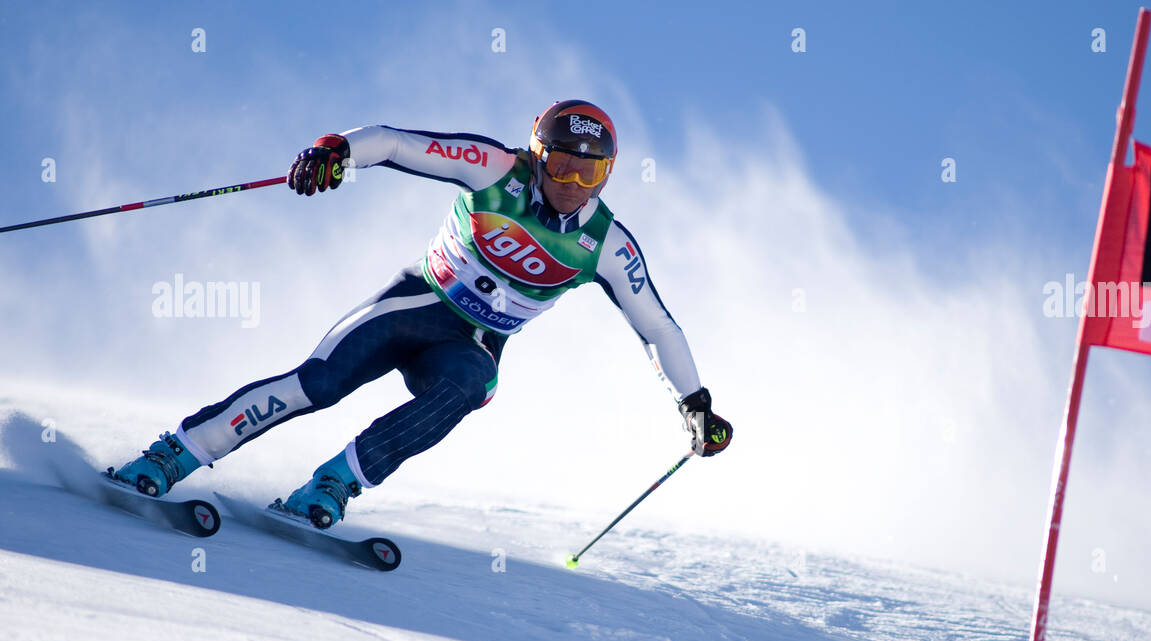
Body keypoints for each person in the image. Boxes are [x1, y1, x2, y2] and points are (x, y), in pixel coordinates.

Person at [110, 99, 732, 529]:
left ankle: (333, 483)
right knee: (319, 383)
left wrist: (695, 404)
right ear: (539, 154)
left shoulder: (607, 244)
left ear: (607, 172)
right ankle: (176, 454)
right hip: (416, 303)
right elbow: (395, 144)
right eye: (562, 163)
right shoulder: (496, 169)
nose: (572, 181)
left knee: (471, 386)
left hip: (472, 344)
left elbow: (657, 327)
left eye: (589, 169)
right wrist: (337, 152)